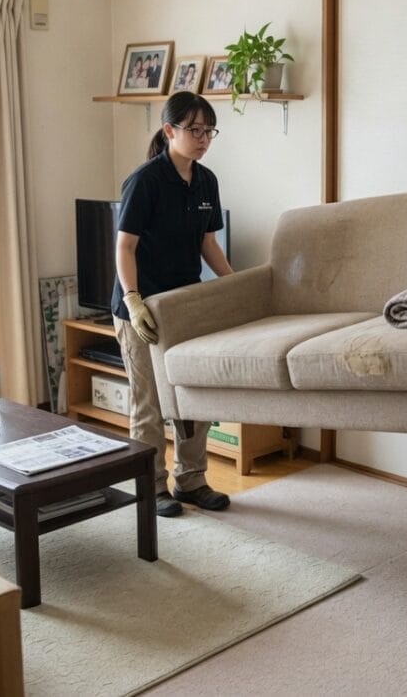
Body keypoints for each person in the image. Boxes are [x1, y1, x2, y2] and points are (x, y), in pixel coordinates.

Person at [111, 90, 232, 518]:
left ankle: (191, 480)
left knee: (190, 398)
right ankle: (151, 487)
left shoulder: (206, 181)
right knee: (149, 403)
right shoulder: (144, 181)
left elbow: (208, 243)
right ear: (169, 130)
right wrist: (133, 299)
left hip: (184, 306)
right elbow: (124, 247)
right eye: (194, 130)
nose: (203, 139)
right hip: (142, 308)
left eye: (209, 131)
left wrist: (235, 285)